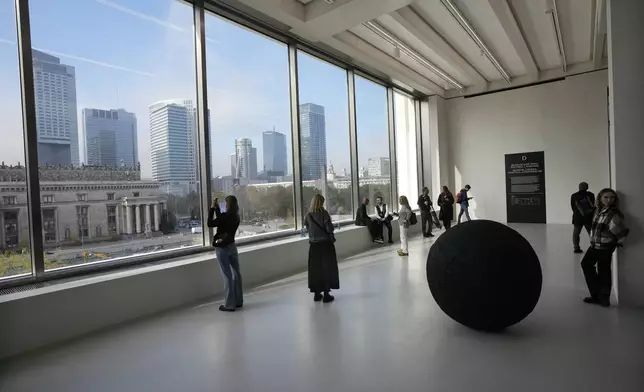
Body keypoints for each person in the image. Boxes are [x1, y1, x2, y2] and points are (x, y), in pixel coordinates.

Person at [581, 188, 629, 307]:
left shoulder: (614, 214)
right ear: (600, 198)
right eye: (606, 197)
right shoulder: (598, 211)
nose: (609, 200)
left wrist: (615, 241)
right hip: (595, 246)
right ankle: (597, 294)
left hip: (605, 247)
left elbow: (622, 233)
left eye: (612, 197)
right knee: (587, 265)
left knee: (604, 271)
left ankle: (603, 298)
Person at [208, 195, 242, 312]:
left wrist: (212, 209)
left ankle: (229, 305)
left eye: (226, 203)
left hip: (222, 248)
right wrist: (217, 210)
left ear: (228, 205)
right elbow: (222, 221)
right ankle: (238, 301)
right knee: (236, 273)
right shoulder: (236, 217)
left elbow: (210, 223)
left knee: (227, 275)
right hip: (232, 246)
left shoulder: (224, 217)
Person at [305, 194, 340, 303]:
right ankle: (326, 294)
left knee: (315, 269)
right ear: (321, 203)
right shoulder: (324, 214)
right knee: (327, 268)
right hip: (326, 245)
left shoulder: (308, 215)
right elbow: (329, 228)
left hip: (314, 246)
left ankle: (316, 293)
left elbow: (308, 229)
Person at [571, 182, 596, 253]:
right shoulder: (591, 195)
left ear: (579, 187)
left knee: (576, 233)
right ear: (587, 187)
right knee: (591, 232)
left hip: (578, 217)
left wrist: (578, 213)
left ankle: (576, 247)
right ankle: (594, 246)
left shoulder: (574, 195)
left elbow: (573, 206)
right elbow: (593, 205)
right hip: (588, 217)